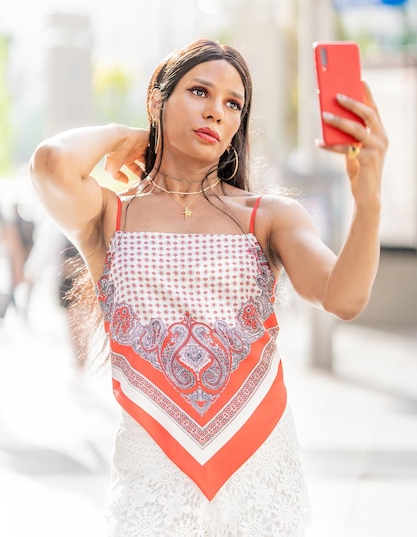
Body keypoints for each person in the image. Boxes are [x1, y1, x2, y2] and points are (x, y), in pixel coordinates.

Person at [29, 38, 388, 536]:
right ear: (159, 98)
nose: (216, 112)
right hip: (149, 480)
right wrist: (126, 136)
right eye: (199, 92)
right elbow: (50, 162)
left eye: (233, 103)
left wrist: (368, 202)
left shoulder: (267, 216)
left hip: (259, 478)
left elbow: (344, 298)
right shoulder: (113, 215)